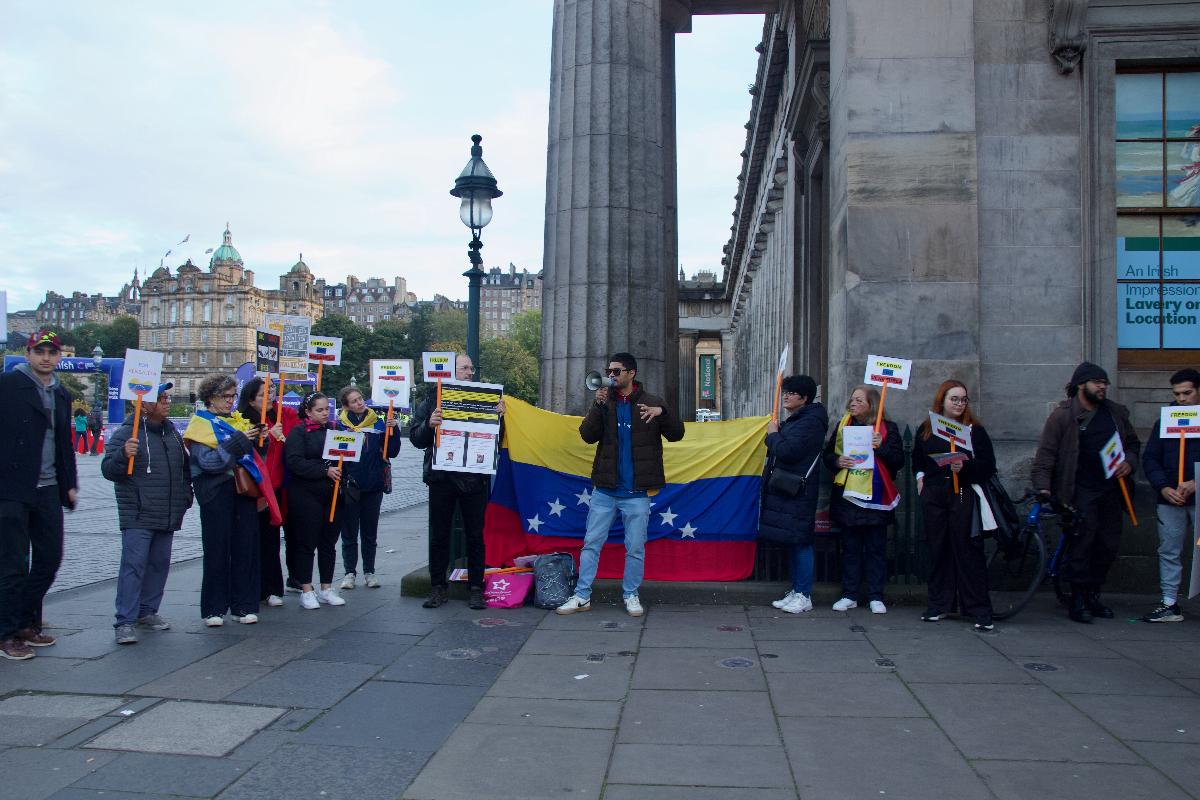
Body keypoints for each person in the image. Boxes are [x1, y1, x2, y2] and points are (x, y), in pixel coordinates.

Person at [557, 352, 686, 617]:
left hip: (637, 492)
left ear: (631, 373)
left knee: (635, 547)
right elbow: (587, 436)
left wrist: (662, 413)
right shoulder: (605, 401)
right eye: (609, 371)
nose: (612, 375)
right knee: (592, 542)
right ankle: (582, 595)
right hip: (605, 489)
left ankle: (631, 594)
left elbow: (677, 434)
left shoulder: (652, 402)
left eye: (617, 371)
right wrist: (596, 406)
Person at [1032, 362, 1140, 623]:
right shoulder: (1063, 415)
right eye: (1097, 382)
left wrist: (1129, 463)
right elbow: (1046, 455)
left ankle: (1093, 594)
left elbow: (1134, 444)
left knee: (1108, 544)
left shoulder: (1115, 413)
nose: (1103, 387)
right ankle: (1078, 597)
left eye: (1105, 383)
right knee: (1083, 543)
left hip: (1112, 490)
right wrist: (1042, 486)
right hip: (1079, 490)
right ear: (1081, 384)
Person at [0, 332, 78, 661]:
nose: (46, 358)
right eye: (39, 352)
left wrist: (69, 483)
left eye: (52, 352)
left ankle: (21, 621)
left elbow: (63, 441)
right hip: (12, 486)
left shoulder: (61, 393)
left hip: (48, 486)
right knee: (13, 565)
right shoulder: (7, 385)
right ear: (28, 354)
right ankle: (7, 634)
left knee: (49, 558)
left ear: (59, 356)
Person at [411, 354, 506, 610]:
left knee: (476, 535)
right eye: (465, 368)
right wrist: (429, 425)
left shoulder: (486, 399)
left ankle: (476, 588)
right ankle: (438, 587)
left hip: (474, 478)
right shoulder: (432, 399)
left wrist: (500, 417)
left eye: (471, 368)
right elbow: (416, 439)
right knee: (439, 535)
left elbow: (497, 440)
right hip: (441, 477)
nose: (470, 372)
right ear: (450, 372)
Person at [102, 383, 193, 644]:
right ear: (143, 404)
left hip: (167, 513)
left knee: (158, 565)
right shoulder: (126, 433)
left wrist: (186, 496)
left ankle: (147, 612)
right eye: (160, 399)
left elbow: (185, 469)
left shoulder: (172, 433)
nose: (166, 402)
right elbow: (108, 469)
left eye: (166, 398)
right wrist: (122, 455)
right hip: (139, 513)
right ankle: (125, 621)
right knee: (133, 566)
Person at [184, 373, 269, 627]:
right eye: (226, 396)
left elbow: (251, 458)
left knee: (246, 548)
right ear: (211, 398)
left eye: (233, 396)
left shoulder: (238, 422)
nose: (230, 401)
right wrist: (240, 442)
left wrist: (259, 440)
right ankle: (214, 608)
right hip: (216, 492)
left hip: (243, 492)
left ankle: (243, 606)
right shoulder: (200, 424)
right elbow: (209, 463)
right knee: (217, 550)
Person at [913, 380, 998, 631]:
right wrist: (920, 479)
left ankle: (979, 608)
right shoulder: (926, 429)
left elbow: (988, 464)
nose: (960, 404)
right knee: (939, 547)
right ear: (942, 400)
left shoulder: (974, 431)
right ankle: (940, 604)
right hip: (934, 492)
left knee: (968, 548)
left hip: (961, 492)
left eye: (964, 399)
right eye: (954, 399)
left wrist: (966, 467)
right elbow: (918, 458)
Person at [823, 385, 904, 614]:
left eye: (859, 400)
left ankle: (876, 596)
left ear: (872, 405)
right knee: (850, 548)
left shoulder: (887, 429)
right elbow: (828, 454)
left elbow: (898, 461)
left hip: (876, 497)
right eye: (852, 399)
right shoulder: (843, 426)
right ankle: (849, 594)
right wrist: (838, 461)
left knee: (876, 548)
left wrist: (882, 447)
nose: (853, 403)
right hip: (849, 496)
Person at [759, 375, 828, 614]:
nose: (785, 395)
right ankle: (797, 589)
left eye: (791, 392)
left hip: (799, 490)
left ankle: (804, 594)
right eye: (785, 391)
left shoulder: (810, 422)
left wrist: (773, 434)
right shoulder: (799, 419)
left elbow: (788, 451)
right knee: (793, 539)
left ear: (804, 398)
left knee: (801, 542)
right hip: (789, 489)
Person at [1139, 368, 1199, 622]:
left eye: (1187, 393)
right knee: (1169, 550)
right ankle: (1169, 603)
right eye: (1177, 394)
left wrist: (1197, 482)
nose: (1182, 398)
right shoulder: (1165, 420)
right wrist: (1163, 487)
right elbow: (1151, 458)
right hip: (1170, 497)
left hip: (1198, 496)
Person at [238, 377, 300, 608]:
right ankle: (255, 588)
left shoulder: (282, 416)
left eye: (272, 389)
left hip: (279, 486)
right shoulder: (244, 421)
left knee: (271, 541)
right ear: (251, 399)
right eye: (264, 393)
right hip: (256, 487)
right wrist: (267, 436)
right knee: (253, 541)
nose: (271, 395)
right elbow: (251, 454)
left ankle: (274, 588)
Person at [336, 385, 402, 591]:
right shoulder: (339, 426)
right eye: (354, 401)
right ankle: (349, 572)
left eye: (360, 398)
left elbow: (391, 451)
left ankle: (369, 572)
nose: (360, 402)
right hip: (350, 485)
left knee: (369, 532)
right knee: (349, 532)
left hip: (372, 484)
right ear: (346, 406)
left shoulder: (378, 422)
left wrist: (394, 430)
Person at [284, 392, 347, 610]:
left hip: (332, 492)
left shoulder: (336, 429)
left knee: (328, 541)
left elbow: (346, 456)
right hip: (305, 492)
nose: (324, 414)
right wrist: (324, 470)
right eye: (319, 410)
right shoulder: (298, 432)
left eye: (326, 410)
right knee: (306, 541)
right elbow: (293, 461)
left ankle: (327, 587)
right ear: (308, 412)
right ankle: (306, 589)